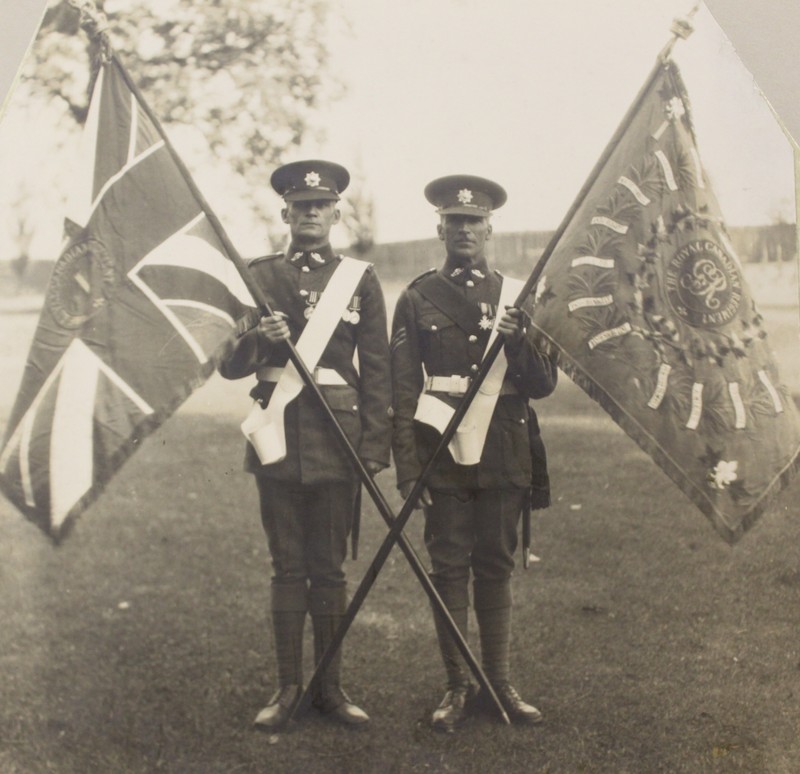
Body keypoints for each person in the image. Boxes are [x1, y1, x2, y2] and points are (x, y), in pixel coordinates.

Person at [219, 159, 392, 729]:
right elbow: (229, 364)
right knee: (286, 566)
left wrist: (373, 448)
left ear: (335, 213)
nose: (311, 214)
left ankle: (330, 689)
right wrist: (260, 344)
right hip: (276, 437)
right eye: (301, 206)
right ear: (286, 212)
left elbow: (379, 370)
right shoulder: (258, 276)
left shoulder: (359, 279)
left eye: (321, 206)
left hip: (338, 440)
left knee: (330, 568)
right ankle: (288, 687)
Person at [390, 175, 557, 731]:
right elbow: (402, 391)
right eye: (454, 220)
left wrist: (516, 337)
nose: (464, 229)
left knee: (495, 564)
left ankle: (499, 683)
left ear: (490, 228)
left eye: (474, 220)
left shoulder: (517, 297)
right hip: (441, 451)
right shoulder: (416, 298)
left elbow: (540, 386)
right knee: (448, 567)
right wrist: (409, 470)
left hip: (503, 446)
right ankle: (457, 686)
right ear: (439, 227)